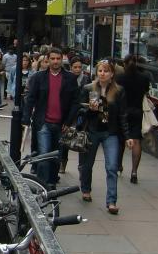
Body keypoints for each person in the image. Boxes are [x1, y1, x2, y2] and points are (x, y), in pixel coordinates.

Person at [70, 59, 129, 214]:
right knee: (87, 164)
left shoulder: (119, 91)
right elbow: (80, 111)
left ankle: (111, 201)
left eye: (106, 71)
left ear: (112, 74)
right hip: (92, 130)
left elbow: (123, 114)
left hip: (111, 132)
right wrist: (90, 109)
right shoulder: (89, 88)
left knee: (111, 167)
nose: (102, 74)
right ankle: (86, 189)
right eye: (100, 71)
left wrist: (127, 136)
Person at [21, 47, 79, 188]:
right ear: (47, 60)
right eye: (52, 59)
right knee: (44, 155)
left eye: (58, 59)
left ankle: (52, 182)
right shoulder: (39, 77)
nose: (55, 61)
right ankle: (42, 185)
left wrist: (69, 121)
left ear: (62, 60)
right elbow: (30, 99)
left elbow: (75, 102)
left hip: (61, 124)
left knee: (56, 157)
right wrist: (26, 119)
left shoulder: (70, 78)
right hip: (43, 123)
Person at [117, 55, 153, 184]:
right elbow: (146, 92)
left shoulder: (120, 78)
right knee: (137, 141)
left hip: (123, 112)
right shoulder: (144, 78)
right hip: (138, 111)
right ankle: (134, 172)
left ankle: (119, 165)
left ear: (124, 64)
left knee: (121, 139)